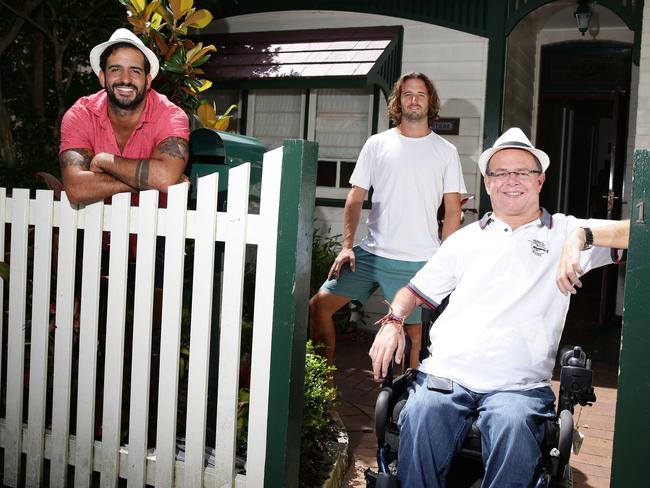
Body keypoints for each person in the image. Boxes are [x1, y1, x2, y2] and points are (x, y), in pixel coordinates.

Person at [368, 127, 629, 487]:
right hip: (445, 375)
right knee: (424, 412)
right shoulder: (465, 240)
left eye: (522, 172)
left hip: (518, 386)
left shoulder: (564, 231)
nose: (511, 181)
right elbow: (412, 292)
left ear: (540, 180)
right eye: (500, 173)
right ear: (488, 184)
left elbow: (638, 229)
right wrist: (394, 320)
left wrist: (582, 237)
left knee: (513, 424)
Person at [309, 72, 467, 369]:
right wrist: (346, 245)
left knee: (413, 340)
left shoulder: (446, 152)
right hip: (371, 254)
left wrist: (446, 258)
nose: (414, 100)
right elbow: (355, 199)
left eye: (421, 94)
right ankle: (324, 395)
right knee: (318, 307)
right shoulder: (377, 144)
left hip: (418, 260)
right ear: (398, 101)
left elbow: (452, 210)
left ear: (430, 101)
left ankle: (407, 409)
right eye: (408, 94)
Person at [59, 28, 189, 204]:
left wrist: (106, 161)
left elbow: (165, 178)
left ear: (148, 80)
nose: (126, 79)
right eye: (115, 70)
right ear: (102, 78)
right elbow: (76, 189)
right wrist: (152, 181)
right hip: (96, 230)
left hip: (154, 229)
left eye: (135, 71)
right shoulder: (81, 115)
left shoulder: (170, 116)